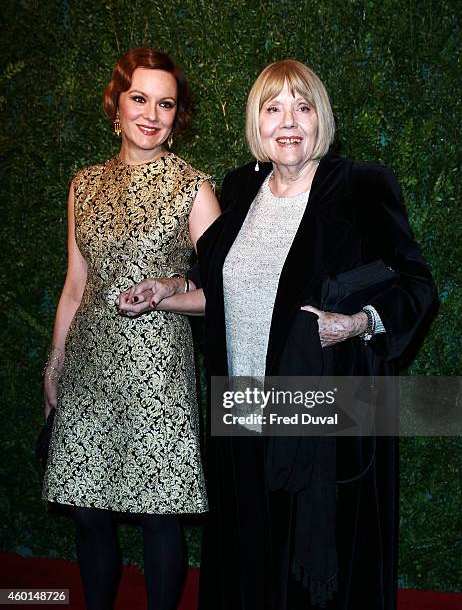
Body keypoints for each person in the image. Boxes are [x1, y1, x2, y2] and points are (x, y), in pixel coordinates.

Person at [118, 59, 437, 609]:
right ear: (257, 123)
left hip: (323, 415)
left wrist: (359, 321)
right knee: (250, 561)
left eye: (303, 107)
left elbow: (416, 286)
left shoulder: (362, 185)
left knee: (312, 567)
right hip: (242, 409)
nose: (288, 122)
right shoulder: (242, 185)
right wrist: (165, 290)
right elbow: (218, 282)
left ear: (321, 119)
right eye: (273, 108)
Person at [42, 47, 221, 610]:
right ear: (115, 105)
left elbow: (221, 291)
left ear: (177, 115)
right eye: (139, 98)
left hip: (157, 372)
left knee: (157, 517)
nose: (152, 114)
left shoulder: (192, 187)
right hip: (89, 364)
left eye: (165, 103)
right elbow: (75, 285)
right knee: (89, 512)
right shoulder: (84, 184)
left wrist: (168, 290)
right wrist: (55, 363)